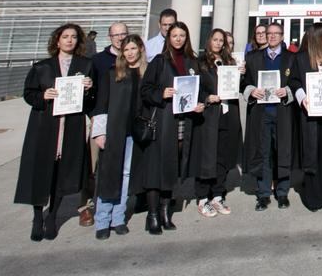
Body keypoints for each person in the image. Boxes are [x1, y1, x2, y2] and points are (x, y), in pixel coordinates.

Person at [14, 23, 95, 241]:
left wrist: (88, 89)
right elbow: (29, 94)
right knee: (41, 172)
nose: (70, 40)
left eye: (74, 37)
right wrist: (43, 96)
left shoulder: (85, 65)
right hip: (45, 126)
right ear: (57, 40)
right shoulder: (43, 67)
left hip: (71, 125)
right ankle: (38, 216)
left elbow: (92, 100)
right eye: (65, 36)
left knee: (62, 172)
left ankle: (53, 216)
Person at [138, 20, 205, 234]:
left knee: (172, 167)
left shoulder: (191, 61)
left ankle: (166, 210)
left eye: (182, 36)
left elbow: (199, 88)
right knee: (157, 168)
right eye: (174, 35)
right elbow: (145, 89)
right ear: (168, 37)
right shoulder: (159, 61)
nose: (178, 39)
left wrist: (199, 103)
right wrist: (161, 94)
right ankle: (153, 214)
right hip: (164, 121)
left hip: (184, 121)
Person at [91, 33, 146, 239]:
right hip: (114, 131)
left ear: (140, 49)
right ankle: (102, 219)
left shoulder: (144, 73)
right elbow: (101, 104)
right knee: (108, 174)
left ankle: (119, 217)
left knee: (126, 175)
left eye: (134, 48)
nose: (131, 53)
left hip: (134, 132)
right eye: (127, 49)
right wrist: (99, 132)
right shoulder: (113, 73)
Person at [242, 23, 295, 210]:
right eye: (268, 33)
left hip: (282, 113)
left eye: (275, 34)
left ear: (282, 36)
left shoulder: (291, 58)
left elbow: (297, 82)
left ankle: (282, 193)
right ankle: (263, 194)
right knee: (262, 153)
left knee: (282, 151)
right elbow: (245, 82)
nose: (271, 37)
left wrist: (287, 90)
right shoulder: (253, 57)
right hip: (261, 113)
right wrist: (251, 90)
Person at [191, 28, 243, 217]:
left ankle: (218, 194)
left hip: (229, 114)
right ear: (209, 41)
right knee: (207, 157)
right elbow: (196, 88)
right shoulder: (201, 63)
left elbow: (237, 86)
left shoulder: (229, 62)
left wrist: (241, 74)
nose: (219, 43)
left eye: (222, 40)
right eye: (216, 39)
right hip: (210, 115)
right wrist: (207, 97)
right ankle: (203, 197)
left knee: (223, 155)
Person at [289, 22, 322, 212]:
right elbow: (294, 82)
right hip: (310, 116)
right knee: (312, 154)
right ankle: (312, 196)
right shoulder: (301, 58)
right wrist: (303, 98)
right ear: (317, 37)